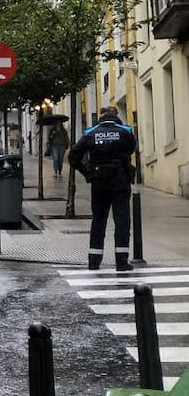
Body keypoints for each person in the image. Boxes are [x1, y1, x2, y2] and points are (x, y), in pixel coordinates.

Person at [69, 106, 138, 272]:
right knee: (122, 220)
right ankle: (121, 262)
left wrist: (88, 173)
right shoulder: (125, 130)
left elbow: (73, 156)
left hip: (99, 180)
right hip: (120, 178)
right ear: (116, 117)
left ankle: (94, 261)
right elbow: (131, 148)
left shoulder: (90, 132)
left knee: (98, 220)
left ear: (100, 118)